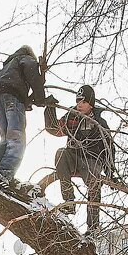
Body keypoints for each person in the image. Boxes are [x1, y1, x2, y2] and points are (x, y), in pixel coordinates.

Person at [44, 84, 115, 233]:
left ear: (91, 103)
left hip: (91, 161)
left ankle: (93, 225)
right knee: (60, 153)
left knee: (95, 183)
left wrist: (110, 172)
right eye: (78, 101)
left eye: (83, 102)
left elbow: (109, 149)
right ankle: (69, 201)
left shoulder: (100, 124)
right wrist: (50, 108)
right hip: (74, 158)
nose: (79, 105)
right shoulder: (71, 116)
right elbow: (54, 129)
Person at [0, 45, 46, 184]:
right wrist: (41, 98)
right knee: (17, 140)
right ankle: (3, 174)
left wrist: (27, 102)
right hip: (12, 98)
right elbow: (33, 74)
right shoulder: (25, 58)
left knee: (6, 140)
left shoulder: (7, 67)